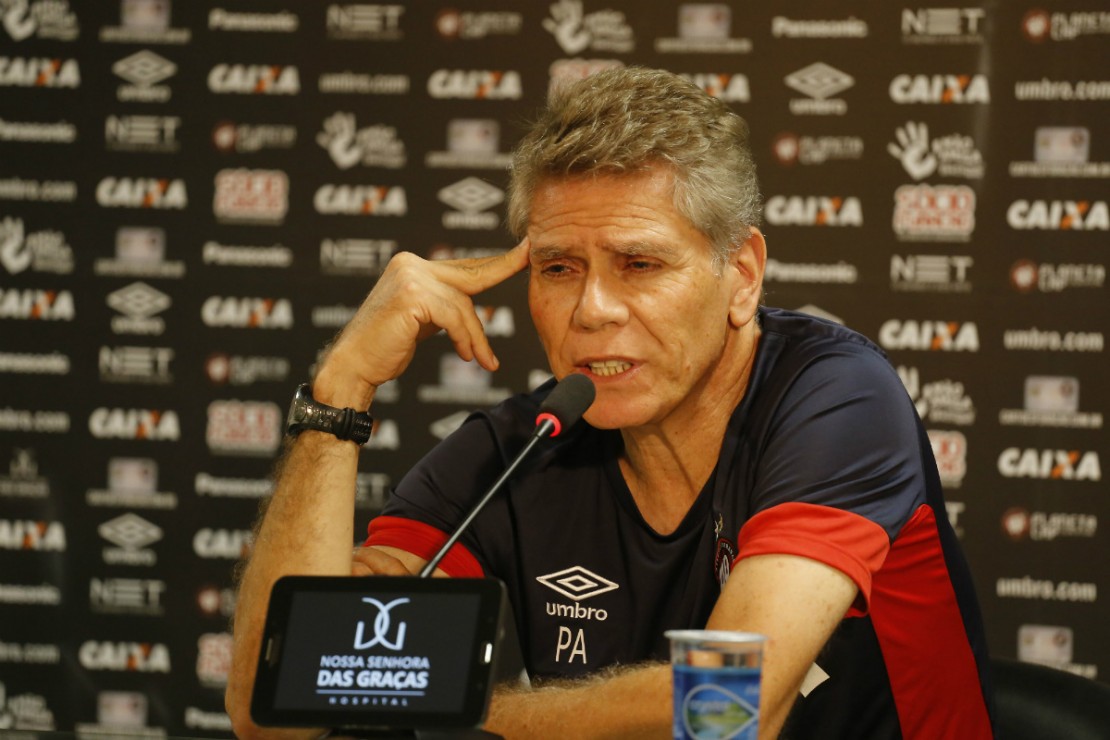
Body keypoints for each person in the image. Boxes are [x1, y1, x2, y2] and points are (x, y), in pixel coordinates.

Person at [226, 67, 995, 739]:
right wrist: (339, 396)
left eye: (639, 263)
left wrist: (459, 711)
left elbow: (729, 711)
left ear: (742, 276)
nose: (592, 310)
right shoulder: (520, 448)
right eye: (559, 268)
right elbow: (275, 710)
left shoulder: (837, 398)